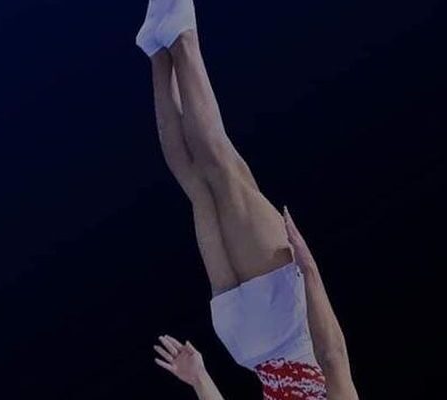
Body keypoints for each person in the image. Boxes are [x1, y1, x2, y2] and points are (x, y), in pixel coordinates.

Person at [135, 1, 360, 399]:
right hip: (243, 341)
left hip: (285, 326)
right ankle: (156, 49)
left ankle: (183, 36)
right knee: (197, 186)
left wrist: (309, 272)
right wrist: (200, 378)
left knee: (221, 167)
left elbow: (332, 355)